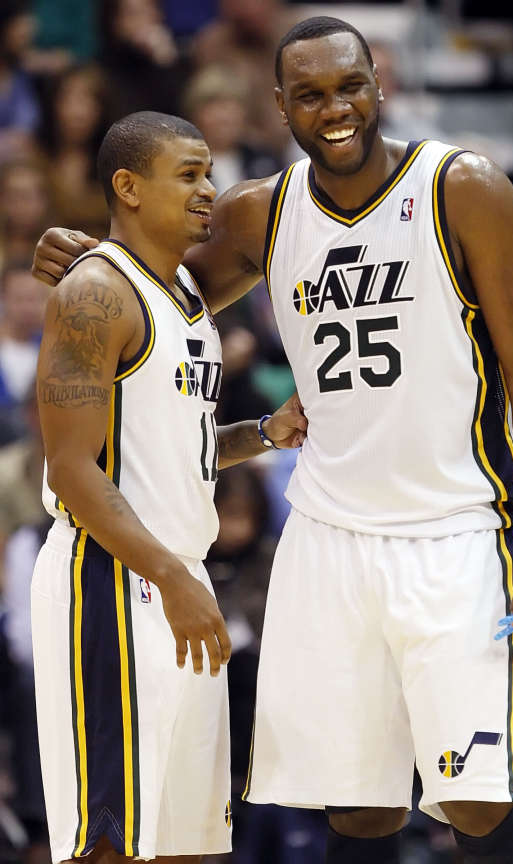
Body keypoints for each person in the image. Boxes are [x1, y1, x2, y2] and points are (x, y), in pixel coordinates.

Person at [33, 16, 513, 864]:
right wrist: (86, 257)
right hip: (325, 541)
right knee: (355, 808)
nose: (337, 109)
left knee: (475, 799)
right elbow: (147, 293)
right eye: (311, 96)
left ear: (379, 84)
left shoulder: (461, 187)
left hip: (456, 529)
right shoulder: (263, 213)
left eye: (350, 86)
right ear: (280, 106)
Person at [31, 109, 307, 864]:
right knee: (111, 844)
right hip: (111, 582)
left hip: (178, 575)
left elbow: (163, 451)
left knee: (190, 843)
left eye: (209, 172)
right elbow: (72, 469)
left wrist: (261, 434)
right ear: (127, 186)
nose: (207, 190)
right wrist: (169, 577)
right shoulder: (94, 293)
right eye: (187, 175)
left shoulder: (186, 295)